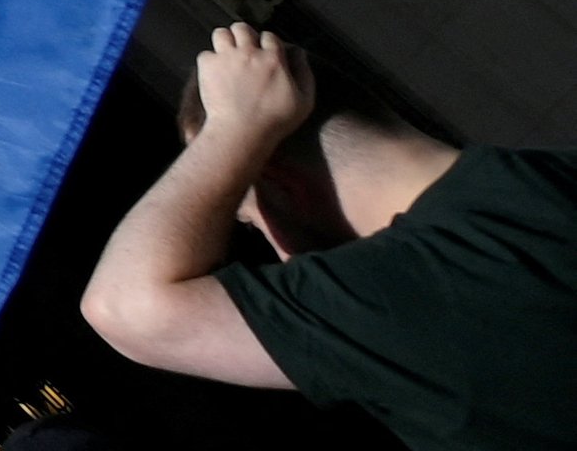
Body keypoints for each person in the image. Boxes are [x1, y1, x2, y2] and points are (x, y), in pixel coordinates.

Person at [80, 23, 577, 449]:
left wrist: (234, 129)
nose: (280, 258)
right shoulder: (554, 174)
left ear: (279, 182)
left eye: (252, 220)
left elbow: (127, 309)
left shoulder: (395, 293)